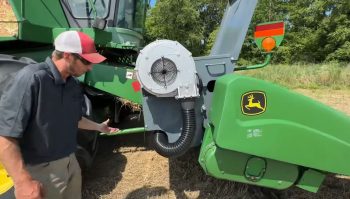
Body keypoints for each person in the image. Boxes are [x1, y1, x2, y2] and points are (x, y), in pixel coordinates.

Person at [0, 30, 118, 199]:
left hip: (71, 164)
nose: (90, 67)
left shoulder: (72, 85)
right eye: (86, 61)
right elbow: (5, 136)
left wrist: (98, 127)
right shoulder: (32, 79)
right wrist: (22, 182)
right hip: (41, 171)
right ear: (68, 55)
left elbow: (75, 119)